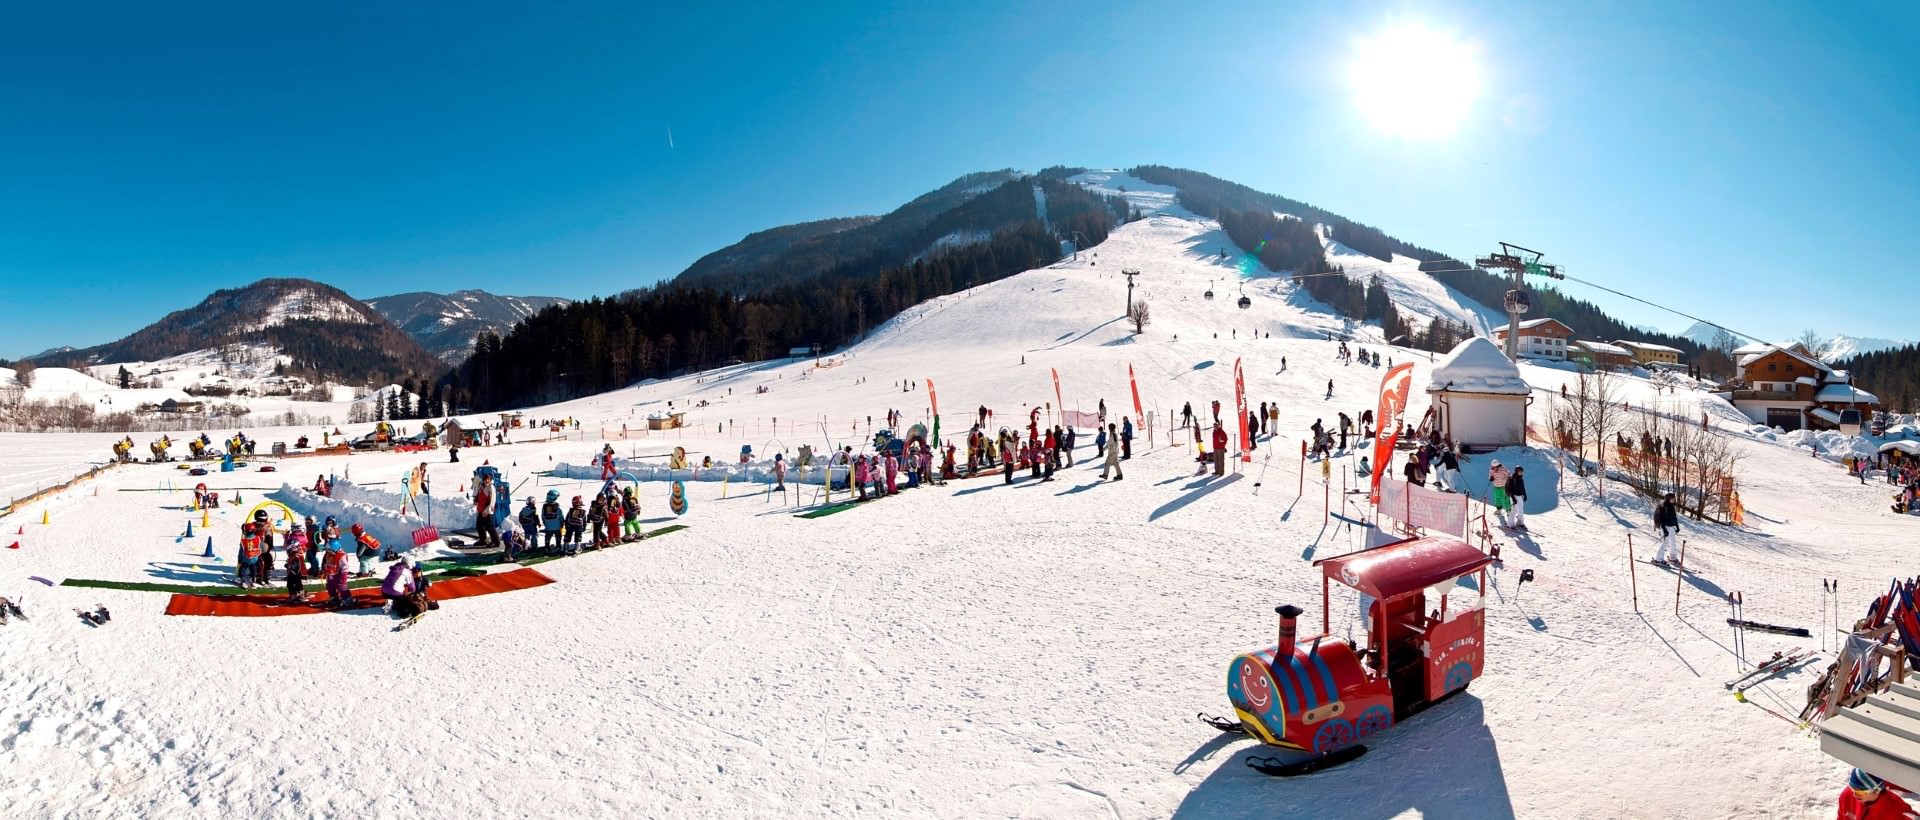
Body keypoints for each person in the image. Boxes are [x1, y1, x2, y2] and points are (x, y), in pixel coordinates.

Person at [1837, 768, 1912, 820]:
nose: (1854, 795)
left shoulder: (1896, 810)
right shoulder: (1847, 794)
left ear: (1876, 791)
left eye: (1860, 792)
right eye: (1852, 788)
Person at [1653, 492, 1682, 566]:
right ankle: (1658, 559)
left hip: (1672, 527)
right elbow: (1662, 519)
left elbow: (1674, 517)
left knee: (1673, 542)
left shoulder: (1672, 506)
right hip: (1665, 527)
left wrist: (1677, 526)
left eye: (1674, 499)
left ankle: (1673, 558)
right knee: (1665, 543)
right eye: (1672, 499)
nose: (1674, 500)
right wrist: (1664, 529)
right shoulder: (1663, 507)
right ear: (1668, 499)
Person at [283, 527, 309, 603]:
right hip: (297, 573)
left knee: (291, 584)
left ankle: (295, 596)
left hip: (294, 573)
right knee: (298, 583)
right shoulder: (296, 555)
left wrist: (289, 566)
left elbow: (296, 566)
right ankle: (300, 594)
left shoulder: (295, 556)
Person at [474, 475, 500, 550]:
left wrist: (487, 511)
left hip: (487, 511)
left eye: (488, 479)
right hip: (481, 510)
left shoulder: (491, 488)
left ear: (490, 480)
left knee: (490, 527)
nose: (487, 481)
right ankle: (483, 539)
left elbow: (492, 501)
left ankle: (495, 541)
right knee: (480, 525)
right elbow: (479, 495)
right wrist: (476, 500)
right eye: (485, 479)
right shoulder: (482, 486)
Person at [236, 523, 264, 589]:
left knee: (243, 568)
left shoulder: (243, 541)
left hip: (246, 558)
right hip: (255, 558)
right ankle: (253, 580)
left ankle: (241, 579)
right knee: (253, 568)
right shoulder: (258, 538)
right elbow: (260, 548)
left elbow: (241, 551)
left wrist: (239, 559)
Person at [1505, 466, 1529, 531]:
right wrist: (1513, 499)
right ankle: (1510, 524)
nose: (1521, 473)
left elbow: (1523, 488)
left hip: (1520, 496)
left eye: (1522, 472)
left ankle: (1520, 523)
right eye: (1520, 472)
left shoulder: (1521, 479)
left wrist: (1525, 495)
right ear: (1516, 472)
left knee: (1521, 510)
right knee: (1514, 510)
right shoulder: (1512, 479)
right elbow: (1511, 490)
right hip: (1514, 496)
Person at [1489, 460, 1512, 527]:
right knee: (1497, 498)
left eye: (1494, 467)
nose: (1493, 468)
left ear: (1497, 465)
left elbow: (1509, 474)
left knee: (1506, 498)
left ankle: (1508, 511)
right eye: (1492, 467)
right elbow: (1490, 476)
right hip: (1496, 486)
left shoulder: (1503, 469)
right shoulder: (1491, 470)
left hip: (1504, 487)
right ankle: (1499, 510)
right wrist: (1491, 478)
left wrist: (1508, 478)